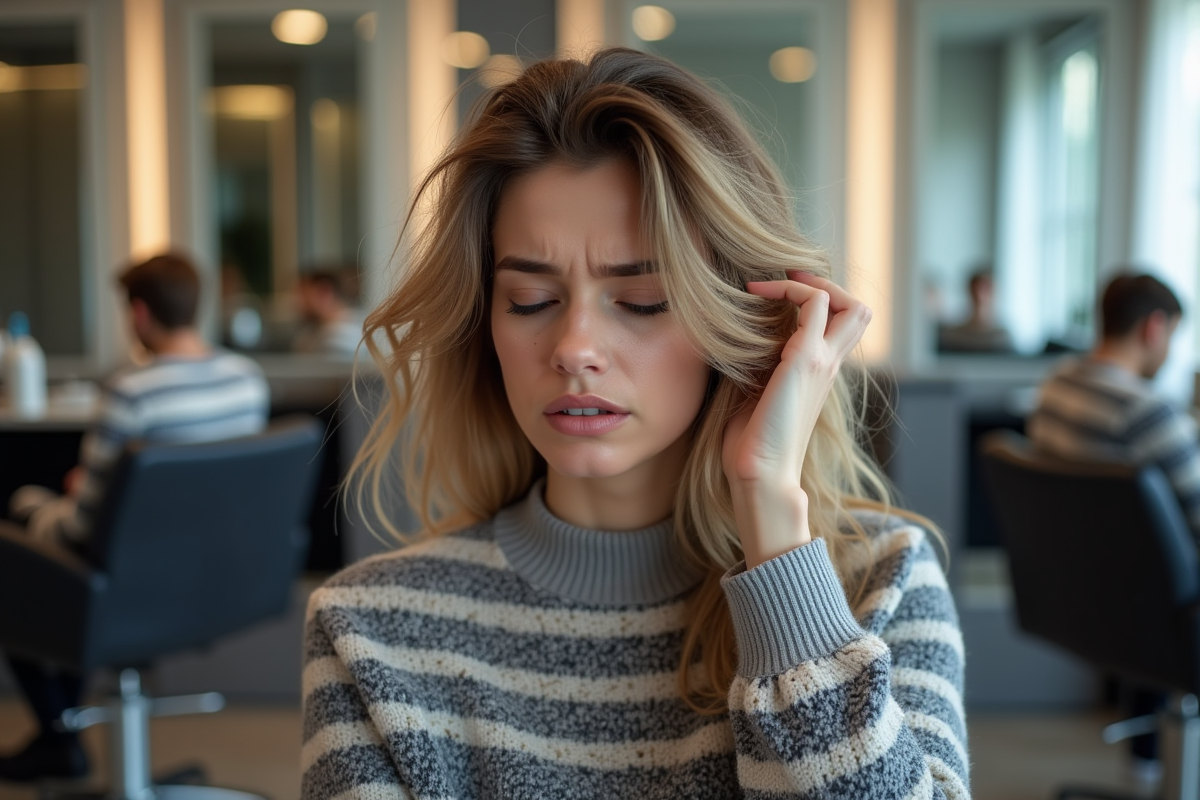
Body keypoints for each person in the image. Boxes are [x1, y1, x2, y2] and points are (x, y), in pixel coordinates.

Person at [301, 48, 968, 799]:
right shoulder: (370, 630)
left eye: (644, 300)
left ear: (743, 322)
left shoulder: (879, 585)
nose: (575, 349)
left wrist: (772, 519)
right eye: (529, 300)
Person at [0, 252, 270, 782]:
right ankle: (62, 741)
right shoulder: (247, 379)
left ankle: (58, 738)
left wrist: (44, 508)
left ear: (140, 314)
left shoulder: (131, 392)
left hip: (133, 588)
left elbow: (81, 530)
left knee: (19, 543)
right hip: (222, 580)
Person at [1028, 272, 1192, 787]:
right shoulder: (1147, 411)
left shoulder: (1055, 387)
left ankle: (1146, 766)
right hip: (1156, 609)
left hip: (1089, 596)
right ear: (1154, 327)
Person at [937, 268, 1016, 354]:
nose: (980, 295)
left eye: (986, 289)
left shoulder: (1002, 337)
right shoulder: (952, 335)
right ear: (969, 291)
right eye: (976, 288)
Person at [292, 268, 363, 358]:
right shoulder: (315, 331)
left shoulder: (342, 340)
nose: (297, 302)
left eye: (303, 296)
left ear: (324, 292)